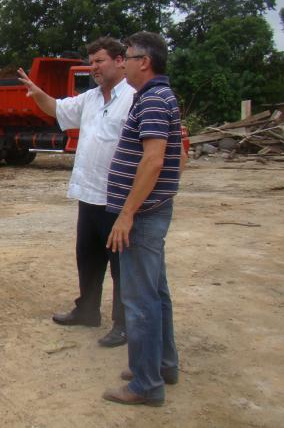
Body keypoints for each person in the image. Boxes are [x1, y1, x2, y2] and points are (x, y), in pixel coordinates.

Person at [17, 37, 134, 348]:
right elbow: (56, 109)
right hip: (89, 196)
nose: (93, 67)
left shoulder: (134, 98)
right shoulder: (90, 98)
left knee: (123, 267)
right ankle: (87, 312)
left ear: (120, 60)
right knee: (88, 259)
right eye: (91, 62)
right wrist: (36, 91)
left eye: (100, 61)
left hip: (117, 200)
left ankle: (123, 324)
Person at [102, 31, 185, 407]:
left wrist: (126, 214)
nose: (125, 63)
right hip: (152, 213)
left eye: (129, 57)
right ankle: (162, 365)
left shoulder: (152, 99)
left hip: (143, 216)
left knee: (140, 301)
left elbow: (152, 160)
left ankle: (146, 385)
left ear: (144, 62)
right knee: (157, 294)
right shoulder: (157, 96)